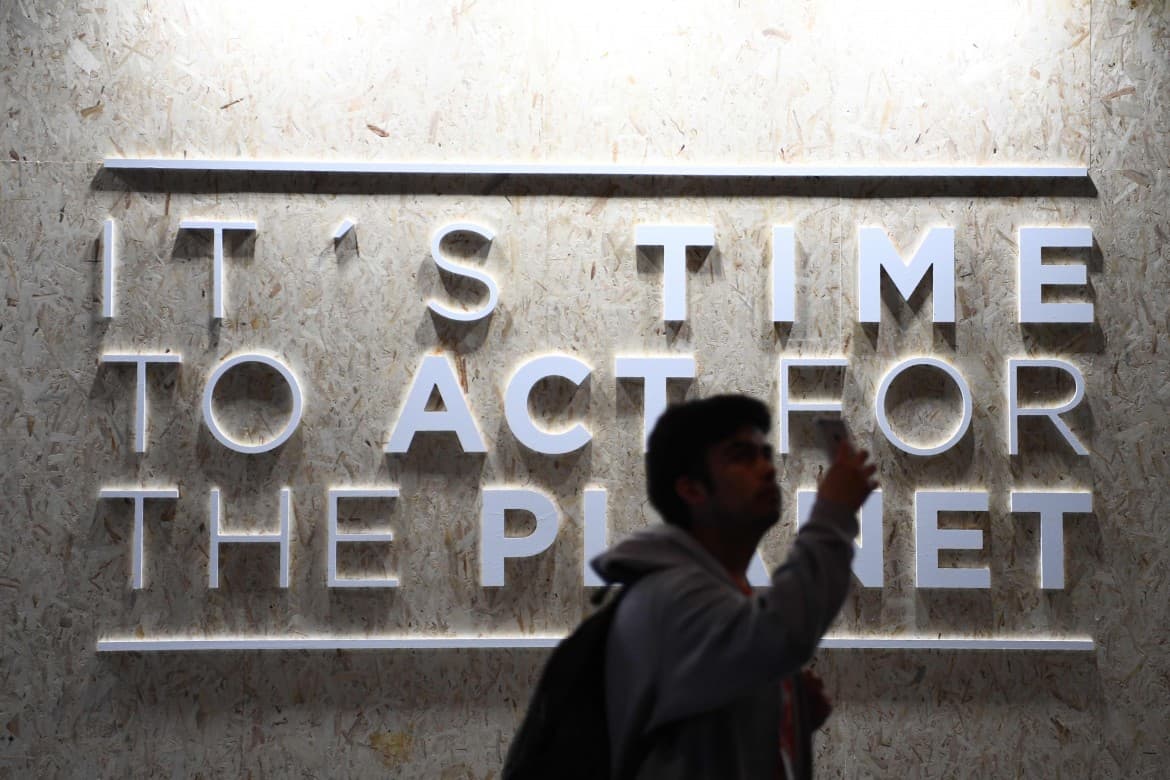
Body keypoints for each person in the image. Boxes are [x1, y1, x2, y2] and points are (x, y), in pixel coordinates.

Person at [591, 394, 877, 779]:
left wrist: (779, 713)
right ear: (691, 489)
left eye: (765, 454)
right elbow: (784, 632)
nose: (767, 469)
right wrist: (833, 512)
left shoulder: (720, 592)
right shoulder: (670, 596)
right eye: (741, 456)